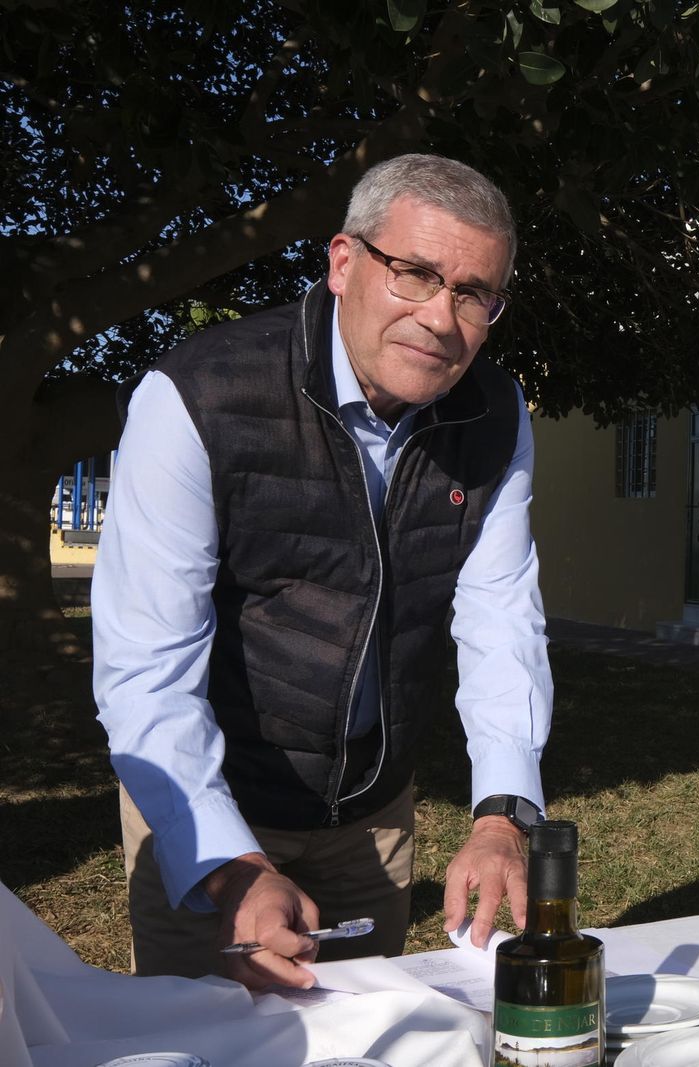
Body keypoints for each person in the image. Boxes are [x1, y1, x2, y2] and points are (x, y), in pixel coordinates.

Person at [92, 154, 554, 989]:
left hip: (372, 820)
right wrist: (230, 866)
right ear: (344, 262)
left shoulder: (495, 413)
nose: (440, 318)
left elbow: (500, 615)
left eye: (473, 293)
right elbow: (146, 672)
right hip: (210, 805)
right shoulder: (195, 397)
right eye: (414, 274)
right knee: (211, 1042)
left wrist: (503, 812)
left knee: (357, 1036)